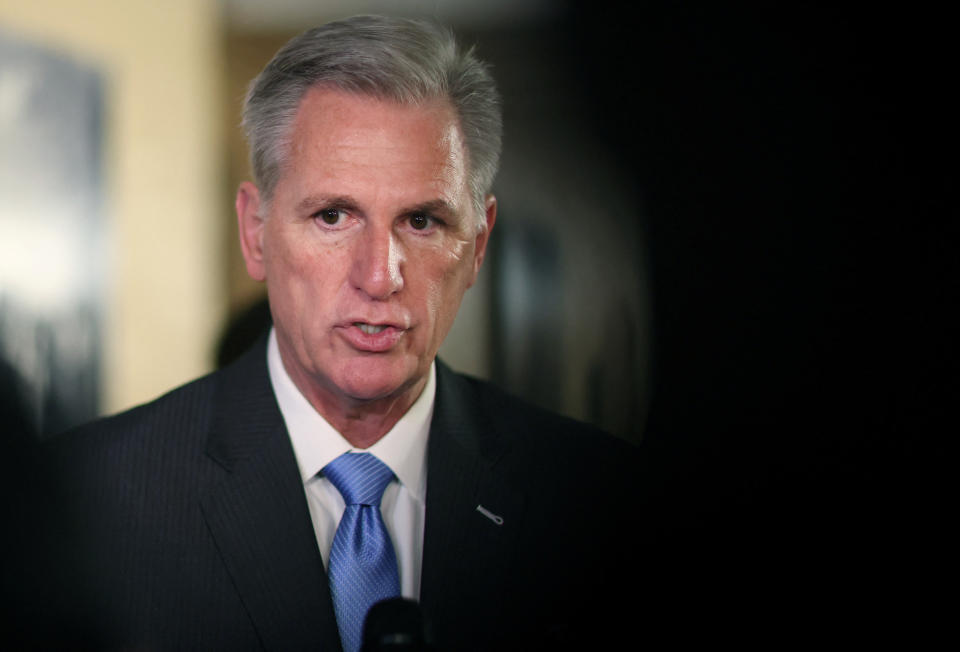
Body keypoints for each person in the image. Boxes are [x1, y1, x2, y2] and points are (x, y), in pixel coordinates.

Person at [49, 15, 644, 651]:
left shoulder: (600, 502)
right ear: (255, 232)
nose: (379, 276)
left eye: (421, 220)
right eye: (333, 216)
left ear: (477, 246)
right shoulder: (87, 503)